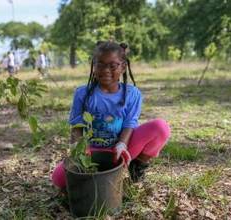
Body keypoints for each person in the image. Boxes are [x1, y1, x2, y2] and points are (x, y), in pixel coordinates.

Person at [51, 41, 171, 188]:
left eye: (113, 65)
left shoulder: (132, 94)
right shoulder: (83, 93)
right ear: (93, 65)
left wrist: (122, 145)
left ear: (123, 67)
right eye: (100, 64)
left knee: (160, 127)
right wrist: (81, 151)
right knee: (58, 179)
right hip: (92, 152)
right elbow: (77, 127)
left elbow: (129, 124)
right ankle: (98, 174)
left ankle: (137, 165)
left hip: (120, 150)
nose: (106, 70)